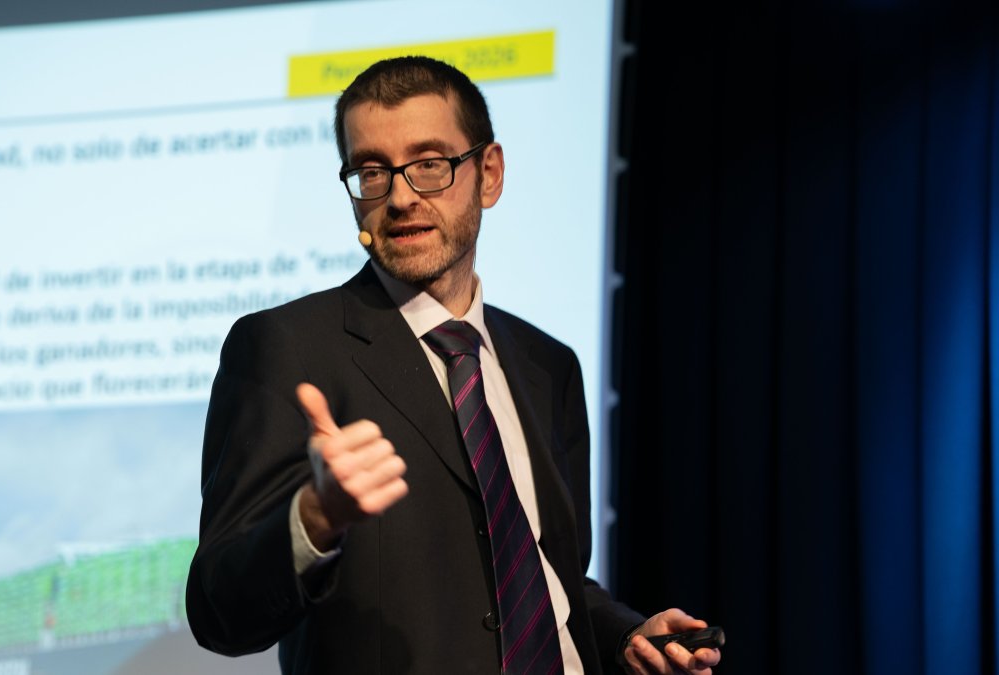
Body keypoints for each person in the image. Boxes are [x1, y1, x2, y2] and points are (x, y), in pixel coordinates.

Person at [186, 56, 722, 675]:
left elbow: (547, 577)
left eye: (429, 164)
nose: (400, 197)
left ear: (488, 174)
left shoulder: (549, 365)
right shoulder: (286, 348)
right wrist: (314, 519)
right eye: (371, 171)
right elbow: (218, 611)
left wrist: (625, 636)